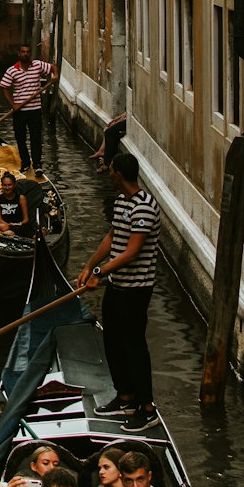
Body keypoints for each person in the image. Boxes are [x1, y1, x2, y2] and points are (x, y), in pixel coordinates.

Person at [75, 151, 161, 432]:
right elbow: (112, 238)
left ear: (118, 174)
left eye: (110, 169)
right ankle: (125, 397)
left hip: (136, 289)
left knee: (134, 345)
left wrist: (101, 272)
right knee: (112, 339)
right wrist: (90, 266)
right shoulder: (123, 201)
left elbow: (133, 251)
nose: (107, 172)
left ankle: (147, 409)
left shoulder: (145, 207)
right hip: (117, 285)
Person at [0, 44, 55, 178]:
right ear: (19, 53)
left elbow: (53, 67)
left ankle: (37, 165)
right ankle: (25, 163)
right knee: (20, 138)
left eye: (28, 52)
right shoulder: (12, 70)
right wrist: (13, 105)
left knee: (36, 138)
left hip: (35, 109)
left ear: (30, 54)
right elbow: (4, 88)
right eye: (23, 52)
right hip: (19, 111)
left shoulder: (37, 65)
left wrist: (56, 75)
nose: (25, 54)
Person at [0, 172, 33, 237]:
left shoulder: (21, 198)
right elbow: (0, 219)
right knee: (3, 227)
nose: (7, 188)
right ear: (2, 185)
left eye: (9, 185)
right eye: (5, 185)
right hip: (5, 226)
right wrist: (9, 225)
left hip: (19, 226)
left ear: (14, 185)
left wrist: (19, 224)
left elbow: (26, 219)